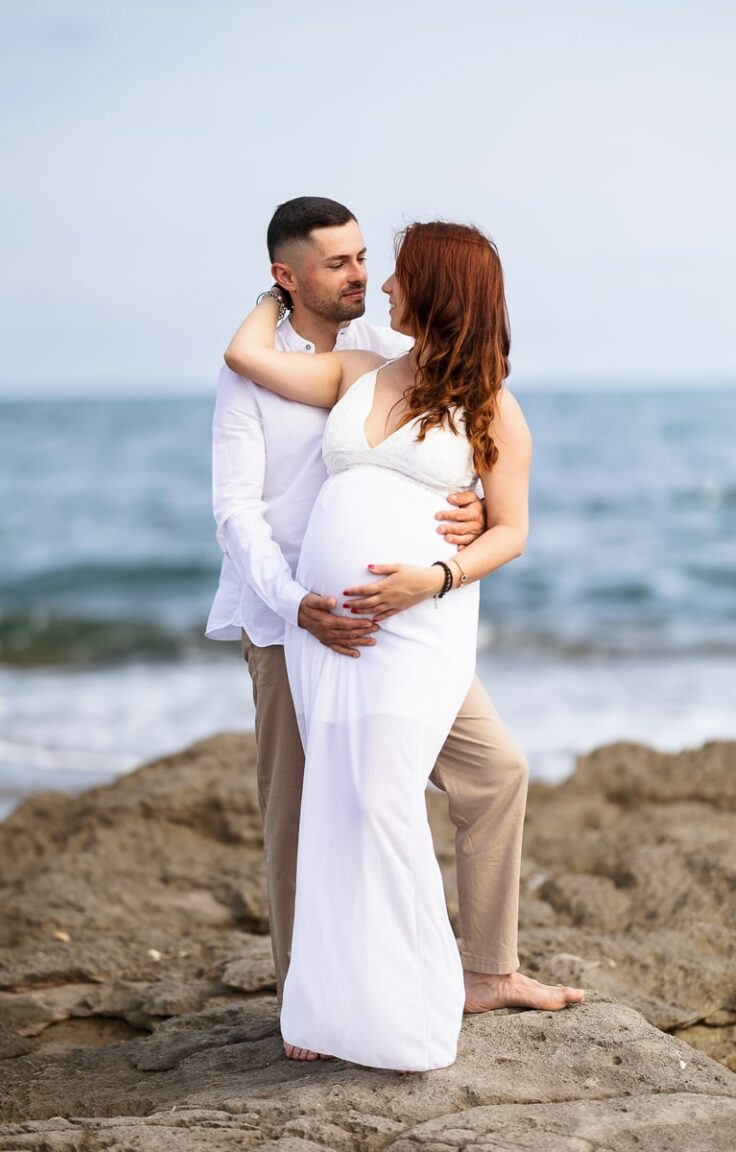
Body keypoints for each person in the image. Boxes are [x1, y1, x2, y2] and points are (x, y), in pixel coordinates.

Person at [208, 198, 582, 1063]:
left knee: (491, 774)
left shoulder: (417, 369)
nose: (369, 278)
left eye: (376, 262)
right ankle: (315, 996)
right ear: (289, 276)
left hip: (413, 630)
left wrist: (450, 558)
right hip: (294, 620)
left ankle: (484, 972)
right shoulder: (327, 373)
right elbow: (236, 509)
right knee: (312, 807)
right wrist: (298, 601)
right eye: (339, 264)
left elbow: (506, 516)